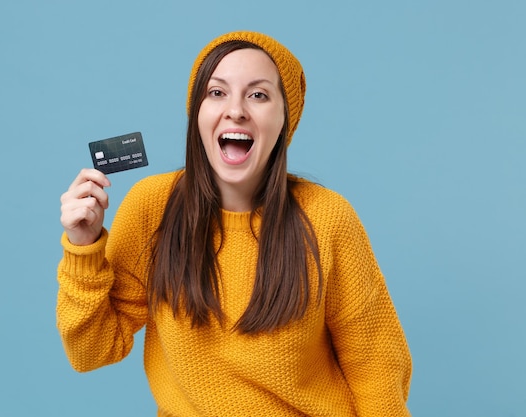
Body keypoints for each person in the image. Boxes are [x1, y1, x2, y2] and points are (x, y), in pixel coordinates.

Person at [57, 31, 412, 416]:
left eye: (258, 95)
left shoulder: (328, 218)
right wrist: (83, 246)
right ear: (197, 114)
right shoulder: (152, 207)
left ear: (284, 121)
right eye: (217, 93)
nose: (236, 110)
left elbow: (376, 364)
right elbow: (90, 351)